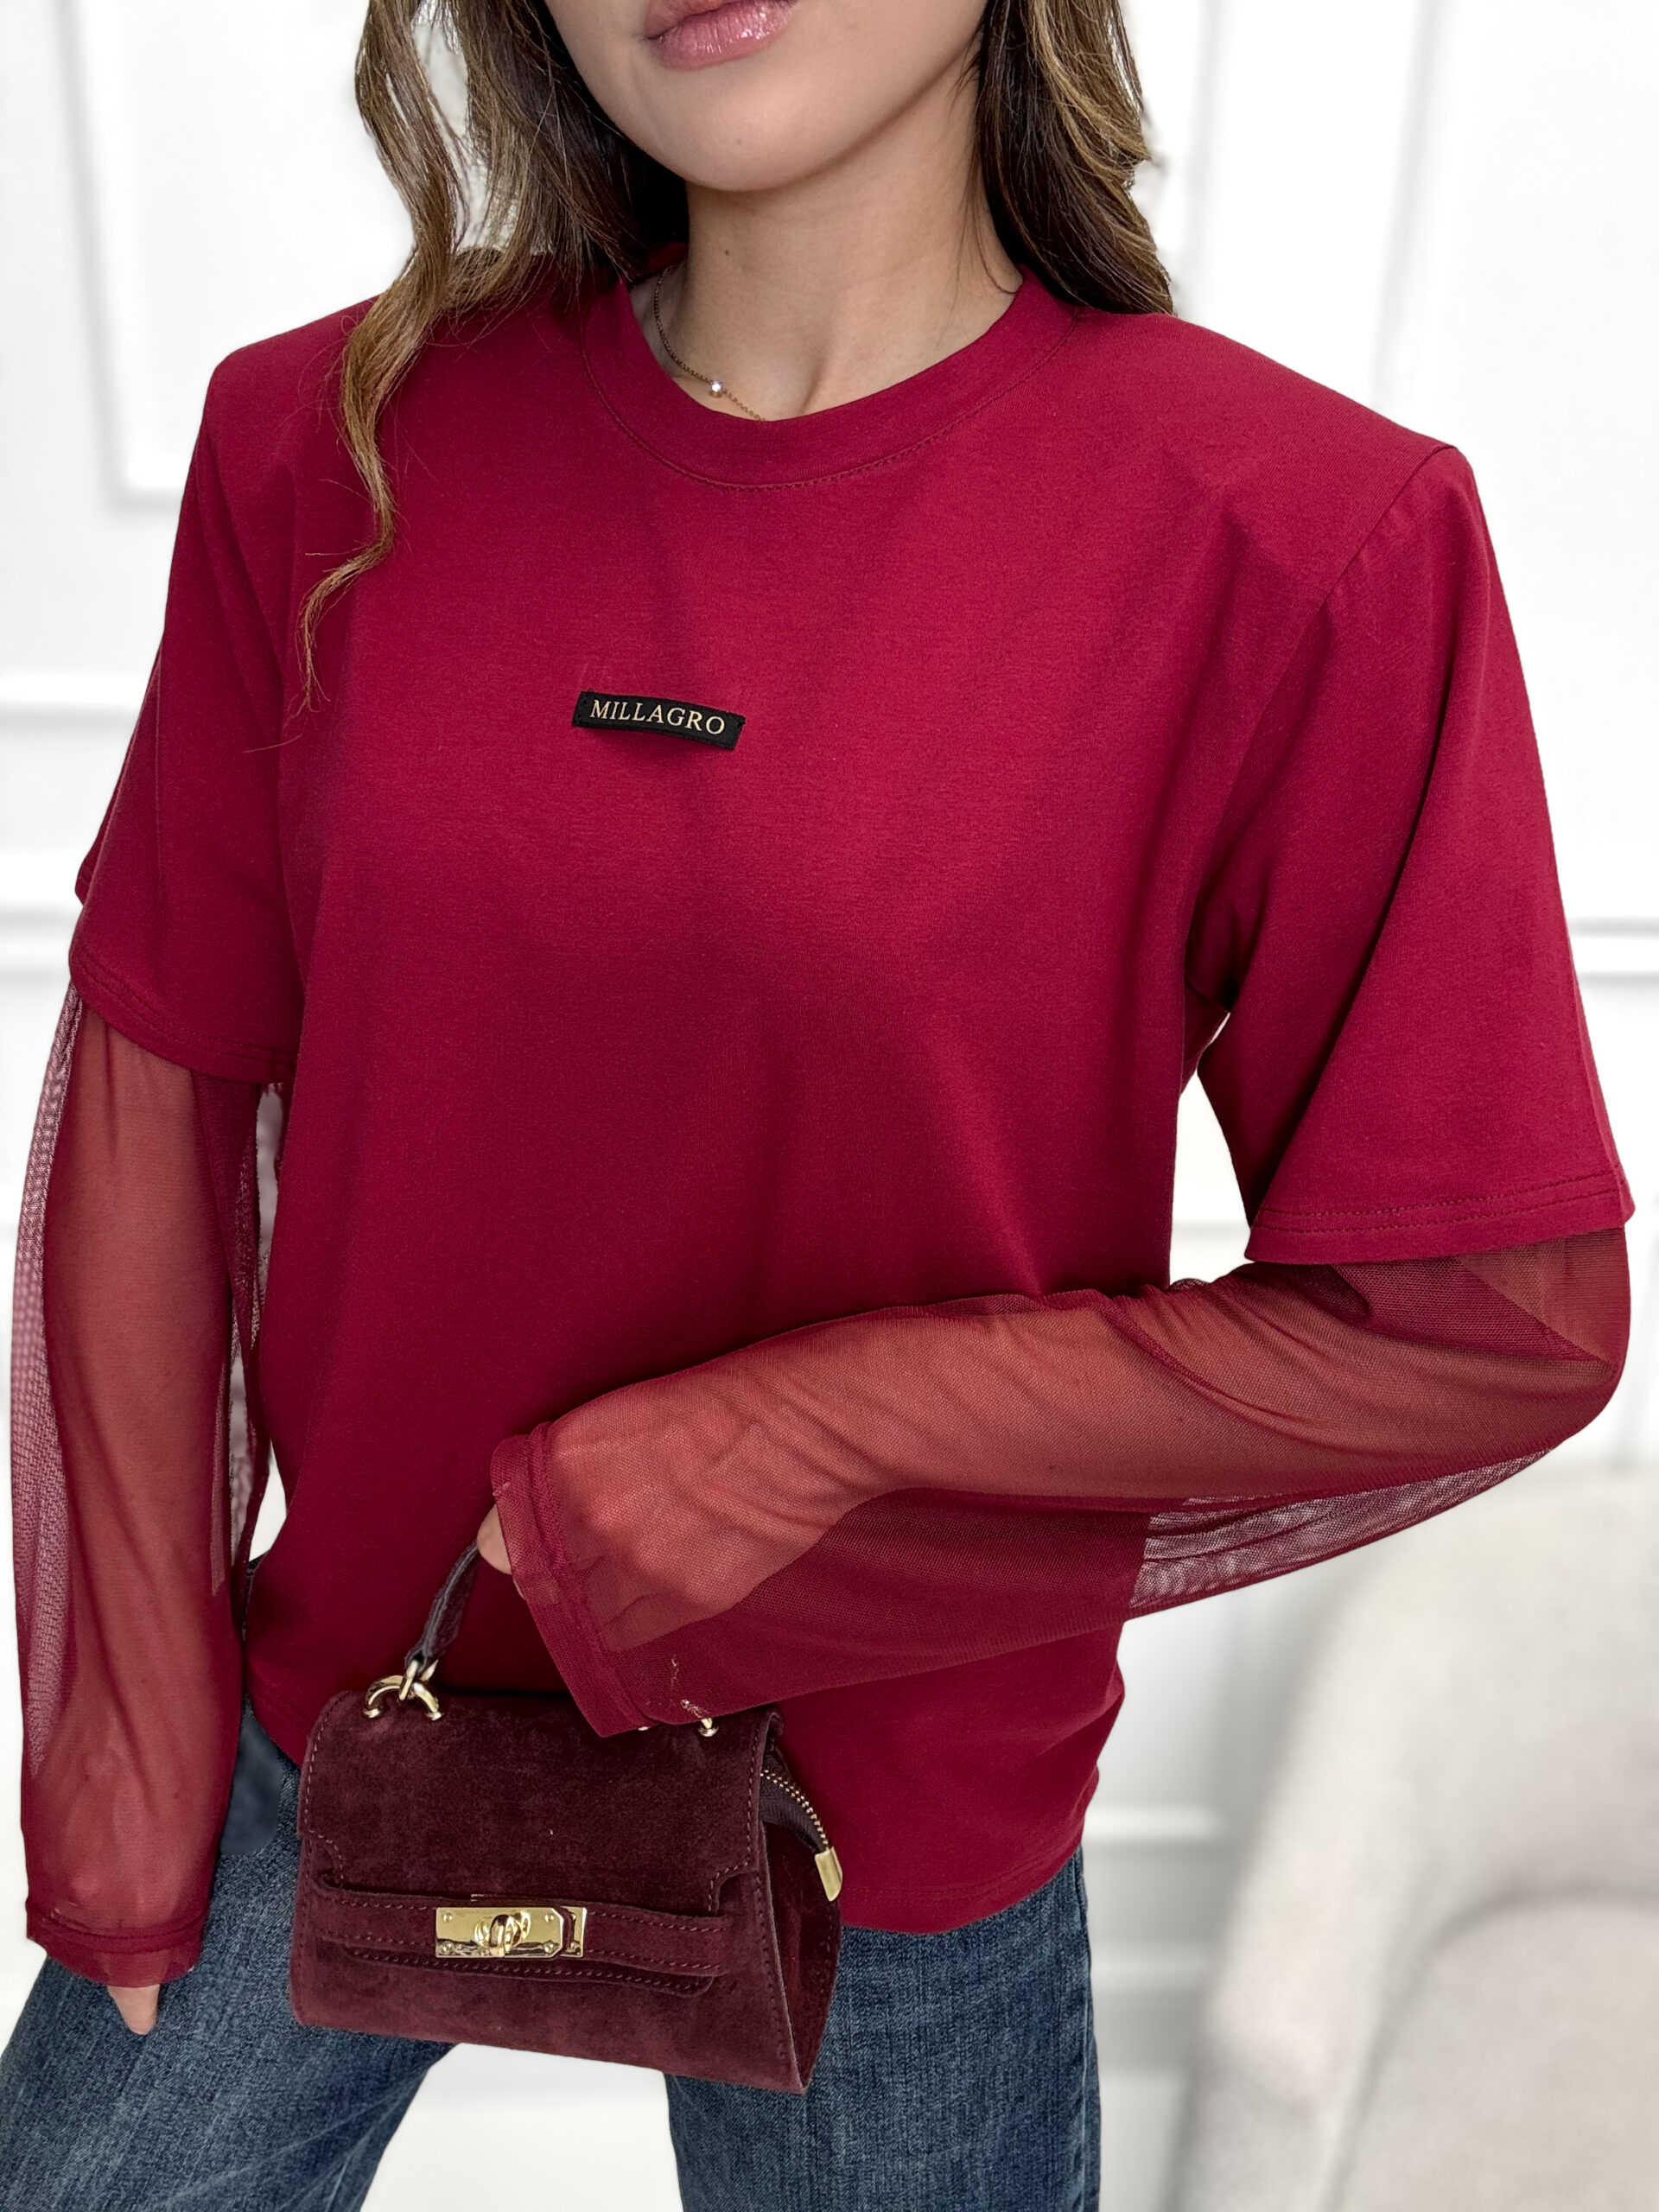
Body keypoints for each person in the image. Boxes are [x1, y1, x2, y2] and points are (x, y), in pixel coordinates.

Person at [0, 0, 1631, 2205]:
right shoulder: (328, 442)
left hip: (898, 1833)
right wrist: (120, 1773)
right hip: (352, 1718)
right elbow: (159, 1085)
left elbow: (1489, 1313)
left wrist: (799, 1439)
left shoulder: (1304, 537)